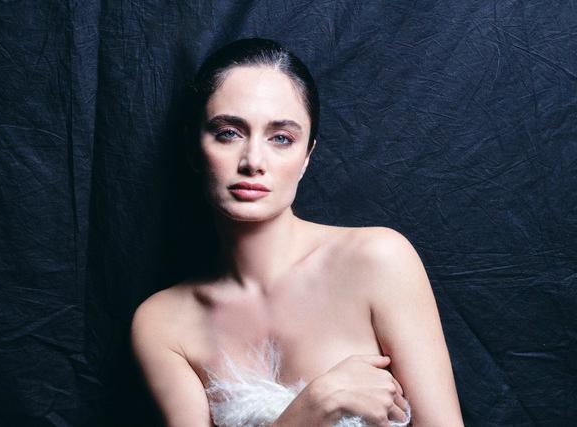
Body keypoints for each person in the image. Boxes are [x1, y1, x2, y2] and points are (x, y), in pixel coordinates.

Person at [131, 37, 463, 426]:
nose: (253, 161)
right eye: (229, 133)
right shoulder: (163, 324)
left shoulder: (379, 260)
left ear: (306, 157)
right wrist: (316, 404)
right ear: (193, 149)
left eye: (281, 139)